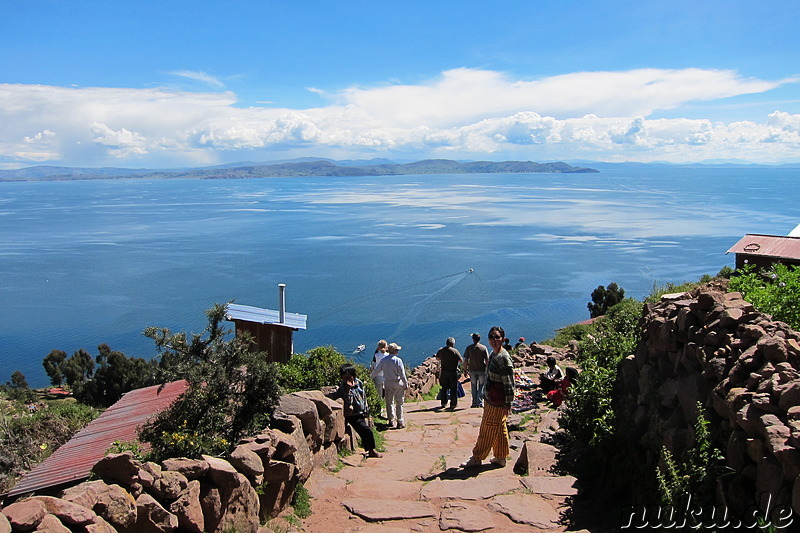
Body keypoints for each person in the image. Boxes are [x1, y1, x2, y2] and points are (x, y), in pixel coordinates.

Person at [461, 326, 515, 468]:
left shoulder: (503, 358)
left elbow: (509, 383)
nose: (494, 340)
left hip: (497, 400)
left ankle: (477, 457)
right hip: (491, 397)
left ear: (502, 339)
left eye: (497, 337)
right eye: (491, 337)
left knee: (487, 428)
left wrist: (507, 404)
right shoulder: (494, 353)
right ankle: (501, 456)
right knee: (500, 426)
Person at [330, 364, 382, 458]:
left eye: (349, 376)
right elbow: (348, 402)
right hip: (353, 415)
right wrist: (348, 389)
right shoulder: (343, 388)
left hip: (361, 411)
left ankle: (370, 449)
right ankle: (371, 451)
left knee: (365, 430)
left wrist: (366, 408)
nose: (347, 378)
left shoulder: (358, 383)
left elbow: (363, 396)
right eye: (344, 376)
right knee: (366, 431)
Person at [371, 342, 408, 428]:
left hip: (388, 383)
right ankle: (400, 421)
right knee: (399, 402)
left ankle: (391, 420)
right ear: (394, 351)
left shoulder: (384, 360)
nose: (398, 351)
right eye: (397, 350)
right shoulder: (398, 360)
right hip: (398, 383)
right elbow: (402, 374)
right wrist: (405, 383)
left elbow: (377, 370)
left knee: (389, 401)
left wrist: (370, 377)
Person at [435, 337, 463, 410]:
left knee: (444, 388)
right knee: (453, 388)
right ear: (453, 344)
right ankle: (453, 404)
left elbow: (437, 358)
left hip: (444, 372)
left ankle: (443, 403)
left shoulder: (441, 350)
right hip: (452, 372)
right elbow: (461, 360)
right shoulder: (454, 351)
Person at [463, 332, 489, 408]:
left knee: (474, 386)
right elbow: (487, 360)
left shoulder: (469, 348)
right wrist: (487, 370)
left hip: (472, 370)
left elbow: (465, 360)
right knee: (481, 386)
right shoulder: (483, 348)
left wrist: (465, 370)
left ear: (473, 339)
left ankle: (474, 403)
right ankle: (480, 402)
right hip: (481, 370)